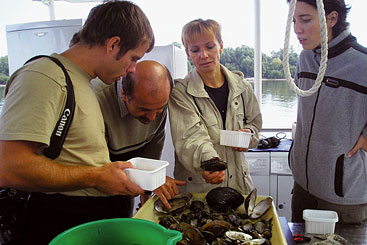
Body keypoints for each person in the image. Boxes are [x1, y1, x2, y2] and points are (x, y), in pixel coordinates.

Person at [0, 1, 155, 244]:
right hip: (59, 223)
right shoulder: (44, 77)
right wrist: (96, 177)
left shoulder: (85, 80)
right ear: (113, 44)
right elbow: (10, 166)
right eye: (133, 58)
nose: (132, 70)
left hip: (90, 221)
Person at [288, 0, 367, 223]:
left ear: (331, 19)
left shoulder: (363, 64)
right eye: (294, 21)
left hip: (341, 197)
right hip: (302, 187)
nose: (297, 29)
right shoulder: (304, 59)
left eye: (305, 20)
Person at [168, 19, 262, 194]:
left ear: (221, 46)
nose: (203, 55)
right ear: (188, 53)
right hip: (200, 189)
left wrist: (249, 134)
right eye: (195, 50)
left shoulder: (243, 87)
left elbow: (255, 124)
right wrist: (209, 163)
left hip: (241, 186)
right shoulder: (180, 92)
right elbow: (190, 138)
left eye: (210, 46)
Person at [92, 60, 186, 213]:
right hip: (90, 194)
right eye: (144, 109)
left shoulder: (157, 106)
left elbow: (152, 151)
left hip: (124, 191)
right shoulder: (96, 100)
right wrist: (149, 179)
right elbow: (98, 170)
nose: (152, 118)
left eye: (160, 109)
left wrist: (147, 192)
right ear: (123, 93)